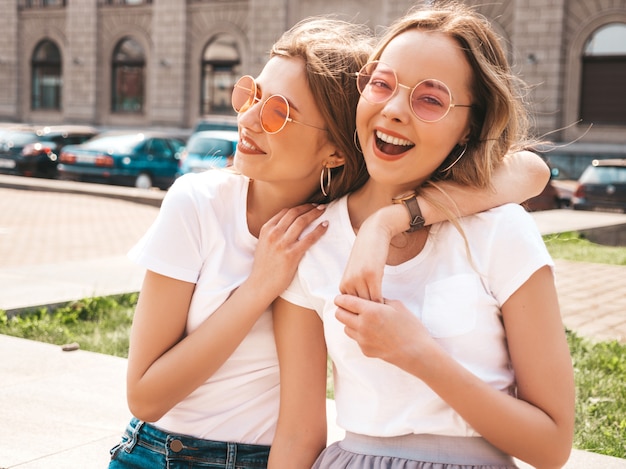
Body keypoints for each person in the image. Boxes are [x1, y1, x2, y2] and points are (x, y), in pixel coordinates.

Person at [108, 16, 550, 469]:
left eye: (279, 112)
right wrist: (260, 285)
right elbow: (145, 397)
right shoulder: (205, 206)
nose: (248, 119)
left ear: (337, 152)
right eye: (251, 95)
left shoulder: (329, 226)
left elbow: (532, 170)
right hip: (163, 454)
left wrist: (390, 222)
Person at [271, 4, 575, 469]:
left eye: (430, 99)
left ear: (469, 127)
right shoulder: (315, 238)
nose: (392, 111)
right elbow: (295, 435)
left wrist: (415, 352)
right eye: (381, 84)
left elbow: (551, 447)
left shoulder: (500, 230)